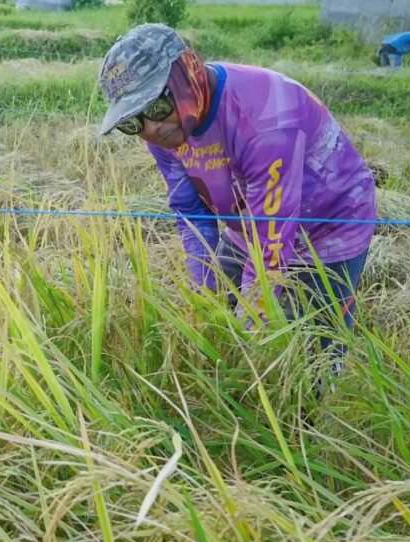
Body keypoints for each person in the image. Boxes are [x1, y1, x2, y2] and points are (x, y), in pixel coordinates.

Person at [97, 24, 376, 348]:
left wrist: (254, 340)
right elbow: (192, 213)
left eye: (157, 106)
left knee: (315, 345)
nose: (151, 128)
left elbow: (269, 245)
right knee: (218, 316)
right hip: (251, 223)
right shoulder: (165, 132)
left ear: (189, 72)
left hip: (329, 226)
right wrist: (205, 298)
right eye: (132, 121)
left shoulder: (264, 116)